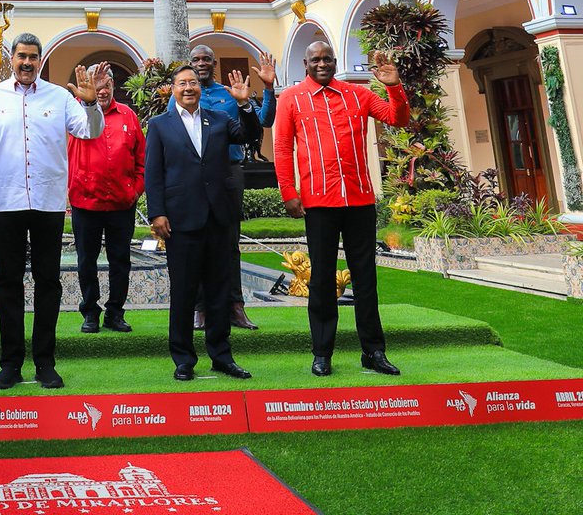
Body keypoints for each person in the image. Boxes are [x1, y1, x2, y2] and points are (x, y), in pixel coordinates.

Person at [0, 33, 107, 390]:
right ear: (11, 59)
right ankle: (11, 364)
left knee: (49, 283)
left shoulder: (60, 97)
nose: (27, 62)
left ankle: (45, 362)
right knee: (8, 283)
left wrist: (91, 104)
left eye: (33, 56)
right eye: (21, 56)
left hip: (47, 203)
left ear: (40, 60)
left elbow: (89, 132)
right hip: (6, 202)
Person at [274, 40, 409, 378]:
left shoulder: (357, 94)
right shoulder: (291, 98)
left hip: (360, 200)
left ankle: (374, 351)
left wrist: (394, 86)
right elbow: (281, 146)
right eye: (315, 59)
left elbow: (397, 118)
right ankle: (322, 353)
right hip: (318, 202)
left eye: (327, 59)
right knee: (320, 279)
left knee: (366, 279)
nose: (321, 64)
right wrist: (289, 191)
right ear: (306, 63)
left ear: (334, 62)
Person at [145, 63, 257, 382]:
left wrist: (245, 105)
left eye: (193, 82)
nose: (189, 88)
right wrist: (157, 213)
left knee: (219, 291)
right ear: (173, 89)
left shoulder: (220, 119)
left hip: (218, 218)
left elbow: (248, 135)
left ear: (199, 87)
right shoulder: (160, 125)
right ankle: (183, 358)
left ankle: (221, 356)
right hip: (180, 220)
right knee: (183, 292)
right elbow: (153, 174)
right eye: (182, 83)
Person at [181, 45, 278, 331]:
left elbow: (264, 120)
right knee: (196, 241)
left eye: (206, 59)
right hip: (194, 175)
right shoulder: (183, 95)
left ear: (214, 63)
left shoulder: (229, 94)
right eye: (196, 59)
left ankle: (236, 306)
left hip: (228, 172)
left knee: (229, 242)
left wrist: (269, 88)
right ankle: (200, 309)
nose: (201, 63)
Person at [68, 65, 146, 334]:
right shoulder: (74, 113)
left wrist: (136, 189)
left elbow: (141, 160)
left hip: (121, 204)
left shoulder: (128, 115)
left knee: (120, 260)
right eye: (95, 84)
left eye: (105, 84)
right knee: (86, 261)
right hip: (85, 203)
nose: (101, 90)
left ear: (113, 86)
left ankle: (115, 312)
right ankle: (90, 312)